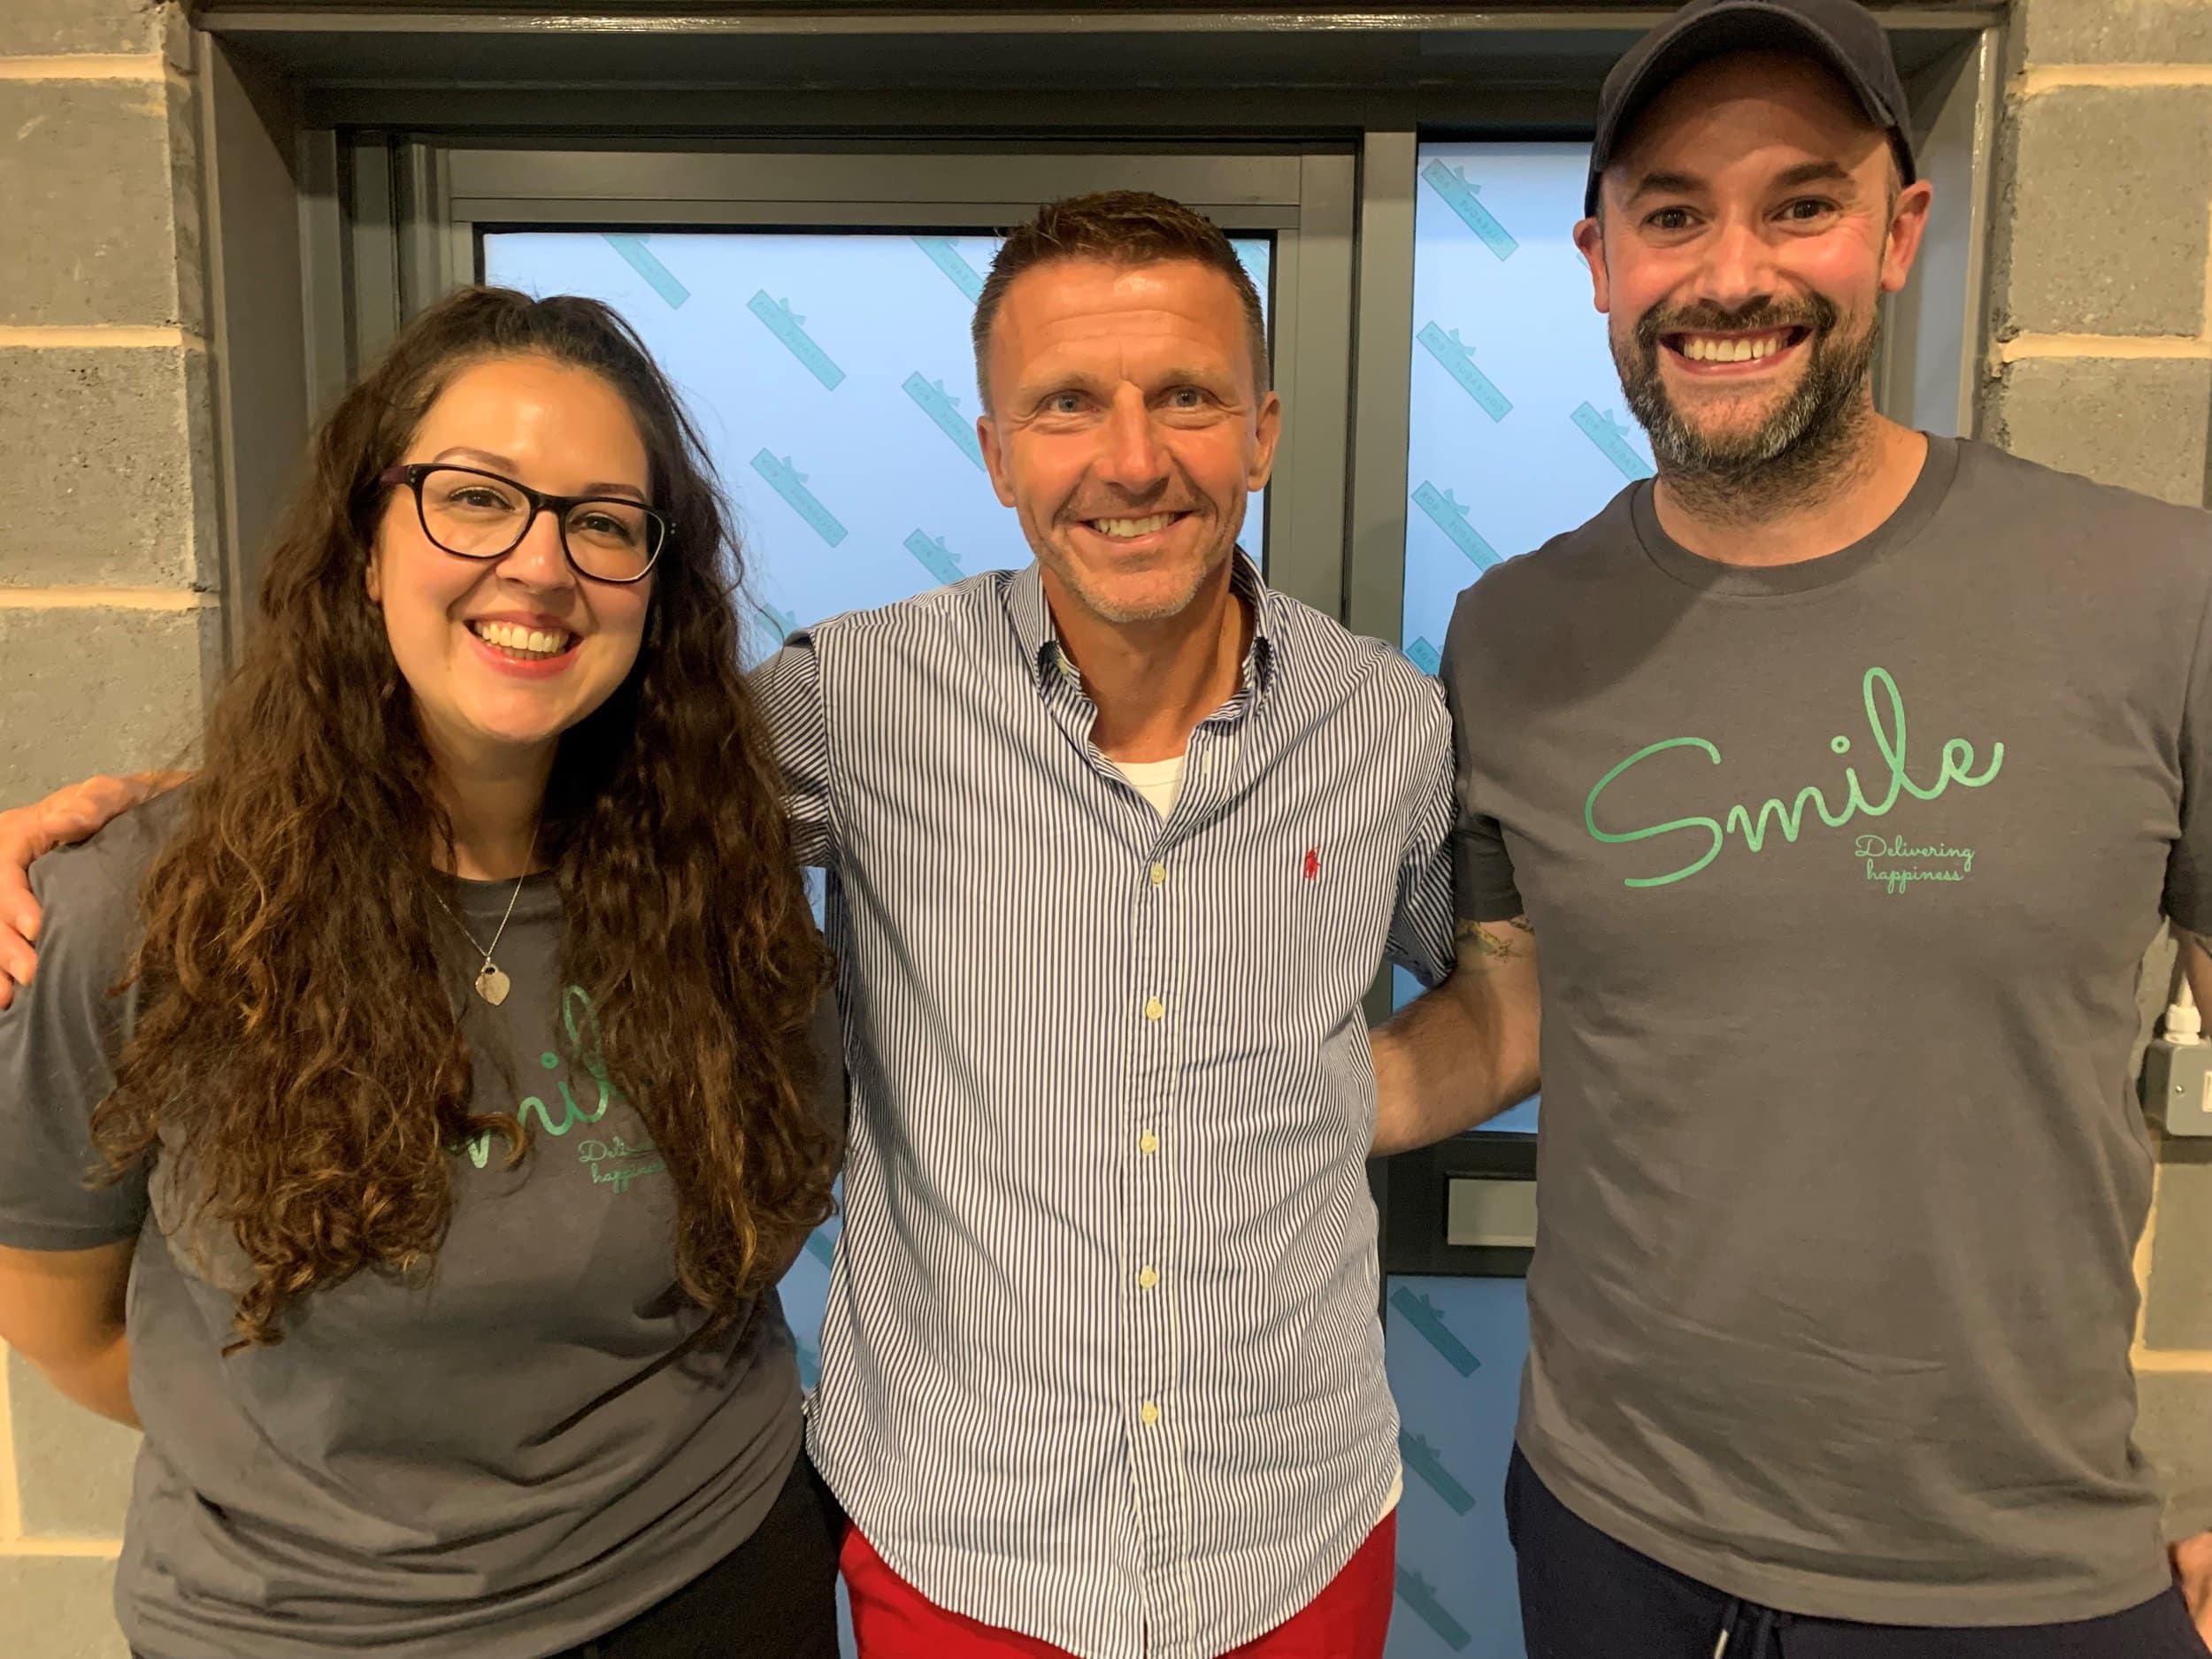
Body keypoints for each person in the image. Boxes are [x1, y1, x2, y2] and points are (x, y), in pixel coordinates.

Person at [0, 194, 1454, 1659]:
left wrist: (1333, 1092)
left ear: (1262, 431)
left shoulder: (1389, 728)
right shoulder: (866, 700)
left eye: (1187, 398)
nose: (1132, 458)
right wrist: (162, 823)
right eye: (1068, 402)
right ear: (998, 451)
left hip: (1269, 1527)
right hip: (959, 1546)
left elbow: (1523, 982)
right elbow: (541, 724)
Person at [1370, 0, 2212, 1655]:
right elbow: (1522, 1006)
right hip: (1613, 1528)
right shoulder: (1518, 634)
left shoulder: (2158, 592)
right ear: (1601, 260)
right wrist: (1242, 1103)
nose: (1730, 273)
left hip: (2019, 1576)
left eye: (1800, 205)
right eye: (1672, 212)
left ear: (1900, 232)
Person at [0, 288, 845, 1659]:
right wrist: (359, 1497)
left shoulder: (725, 890)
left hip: (704, 1584)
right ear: (367, 546)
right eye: (475, 498)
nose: (540, 564)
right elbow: (67, 1330)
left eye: (604, 523)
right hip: (296, 1628)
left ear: (656, 587)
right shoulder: (136, 918)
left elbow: (763, 1226)